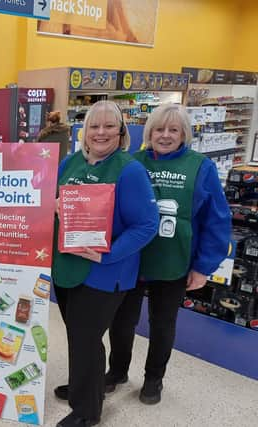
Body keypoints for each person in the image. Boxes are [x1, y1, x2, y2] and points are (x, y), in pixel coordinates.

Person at [106, 103, 231, 405]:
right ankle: (117, 371)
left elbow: (217, 219)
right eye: (159, 129)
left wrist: (203, 267)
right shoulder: (130, 162)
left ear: (184, 134)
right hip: (131, 259)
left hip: (174, 261)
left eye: (173, 130)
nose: (165, 135)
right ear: (148, 132)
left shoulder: (200, 166)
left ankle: (153, 379)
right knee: (121, 321)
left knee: (163, 323)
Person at [52, 100, 159, 427]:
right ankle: (86, 384)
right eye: (94, 126)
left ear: (121, 131)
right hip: (67, 266)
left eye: (109, 126)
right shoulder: (70, 163)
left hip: (105, 272)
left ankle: (87, 411)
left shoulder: (129, 170)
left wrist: (107, 253)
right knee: (78, 336)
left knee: (86, 337)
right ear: (84, 131)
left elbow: (147, 225)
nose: (101, 132)